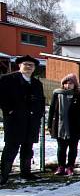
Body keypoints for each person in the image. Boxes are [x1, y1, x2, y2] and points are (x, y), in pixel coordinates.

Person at [0, 55, 46, 185]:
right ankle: (3, 175)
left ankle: (26, 172)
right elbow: (2, 97)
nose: (28, 67)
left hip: (32, 121)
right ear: (19, 65)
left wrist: (39, 113)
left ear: (34, 68)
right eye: (26, 64)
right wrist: (9, 110)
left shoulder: (37, 83)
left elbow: (41, 100)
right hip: (15, 120)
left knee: (28, 147)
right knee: (11, 147)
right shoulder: (8, 79)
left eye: (31, 65)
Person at [47, 73, 80, 176]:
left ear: (74, 84)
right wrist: (49, 125)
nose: (68, 85)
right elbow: (52, 110)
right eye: (66, 83)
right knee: (61, 148)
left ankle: (70, 167)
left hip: (75, 127)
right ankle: (61, 166)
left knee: (73, 148)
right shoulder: (57, 94)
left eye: (70, 83)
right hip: (60, 126)